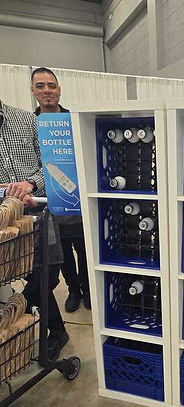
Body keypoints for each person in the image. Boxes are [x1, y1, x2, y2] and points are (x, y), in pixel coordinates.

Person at [0, 100, 69, 360]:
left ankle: (12, 312)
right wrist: (7, 193)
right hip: (8, 220)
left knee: (49, 274)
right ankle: (58, 331)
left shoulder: (27, 120)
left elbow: (50, 164)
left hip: (41, 213)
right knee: (29, 273)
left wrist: (30, 184)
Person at [31, 67, 91, 312]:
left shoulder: (74, 121)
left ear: (59, 90)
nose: (47, 91)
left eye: (51, 85)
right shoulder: (31, 125)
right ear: (33, 91)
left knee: (86, 251)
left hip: (78, 201)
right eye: (41, 86)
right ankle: (73, 290)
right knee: (63, 255)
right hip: (51, 207)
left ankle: (88, 290)